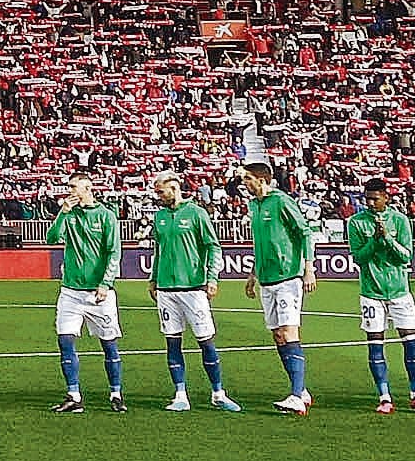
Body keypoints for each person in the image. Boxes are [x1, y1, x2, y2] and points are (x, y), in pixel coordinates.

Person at [145, 171, 239, 413]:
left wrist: (212, 278)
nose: (158, 196)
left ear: (174, 188)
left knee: (206, 341)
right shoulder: (160, 216)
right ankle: (180, 395)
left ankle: (218, 393)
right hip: (166, 290)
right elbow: (158, 250)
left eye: (161, 191)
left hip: (193, 289)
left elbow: (213, 246)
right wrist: (153, 278)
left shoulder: (197, 213)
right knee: (172, 342)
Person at [344, 177, 415, 416]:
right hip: (371, 293)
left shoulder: (399, 220)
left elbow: (405, 256)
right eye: (367, 199)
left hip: (400, 291)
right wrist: (375, 239)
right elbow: (359, 257)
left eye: (375, 199)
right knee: (375, 344)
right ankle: (384, 397)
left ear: (386, 197)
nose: (370, 203)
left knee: (410, 341)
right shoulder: (356, 222)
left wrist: (388, 239)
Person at [238, 164, 316, 413]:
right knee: (278, 335)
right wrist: (253, 274)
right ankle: (301, 390)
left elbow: (305, 233)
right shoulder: (254, 206)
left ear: (261, 180)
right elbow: (261, 243)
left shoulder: (281, 201)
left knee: (289, 331)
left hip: (287, 278)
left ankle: (296, 396)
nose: (244, 183)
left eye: (247, 179)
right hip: (266, 279)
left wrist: (309, 268)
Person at [49, 173, 126, 413]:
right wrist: (62, 212)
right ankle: (74, 395)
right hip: (71, 291)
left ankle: (116, 393)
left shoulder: (106, 216)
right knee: (65, 340)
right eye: (69, 186)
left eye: (74, 187)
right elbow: (52, 238)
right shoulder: (69, 214)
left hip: (98, 293)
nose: (70, 190)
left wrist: (106, 283)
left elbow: (114, 251)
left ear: (88, 188)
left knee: (109, 344)